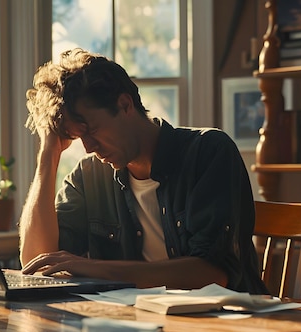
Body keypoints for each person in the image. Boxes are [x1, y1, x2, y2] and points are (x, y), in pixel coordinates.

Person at [19, 48, 268, 294]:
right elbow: (37, 264)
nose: (88, 148)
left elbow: (211, 274)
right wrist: (48, 155)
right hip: (137, 324)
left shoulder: (208, 151)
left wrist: (94, 268)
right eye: (77, 136)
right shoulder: (89, 176)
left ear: (125, 104)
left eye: (91, 130)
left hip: (226, 321)